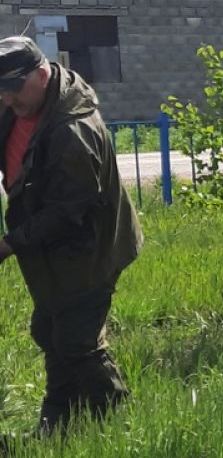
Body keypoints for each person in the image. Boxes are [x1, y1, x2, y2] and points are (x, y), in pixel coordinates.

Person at [0, 36, 143, 434]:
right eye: (1, 91)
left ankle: (116, 425)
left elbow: (68, 212)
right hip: (52, 247)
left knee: (77, 341)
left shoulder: (72, 132)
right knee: (49, 330)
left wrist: (9, 245)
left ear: (41, 75)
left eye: (13, 89)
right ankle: (57, 422)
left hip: (90, 246)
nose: (8, 99)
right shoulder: (19, 104)